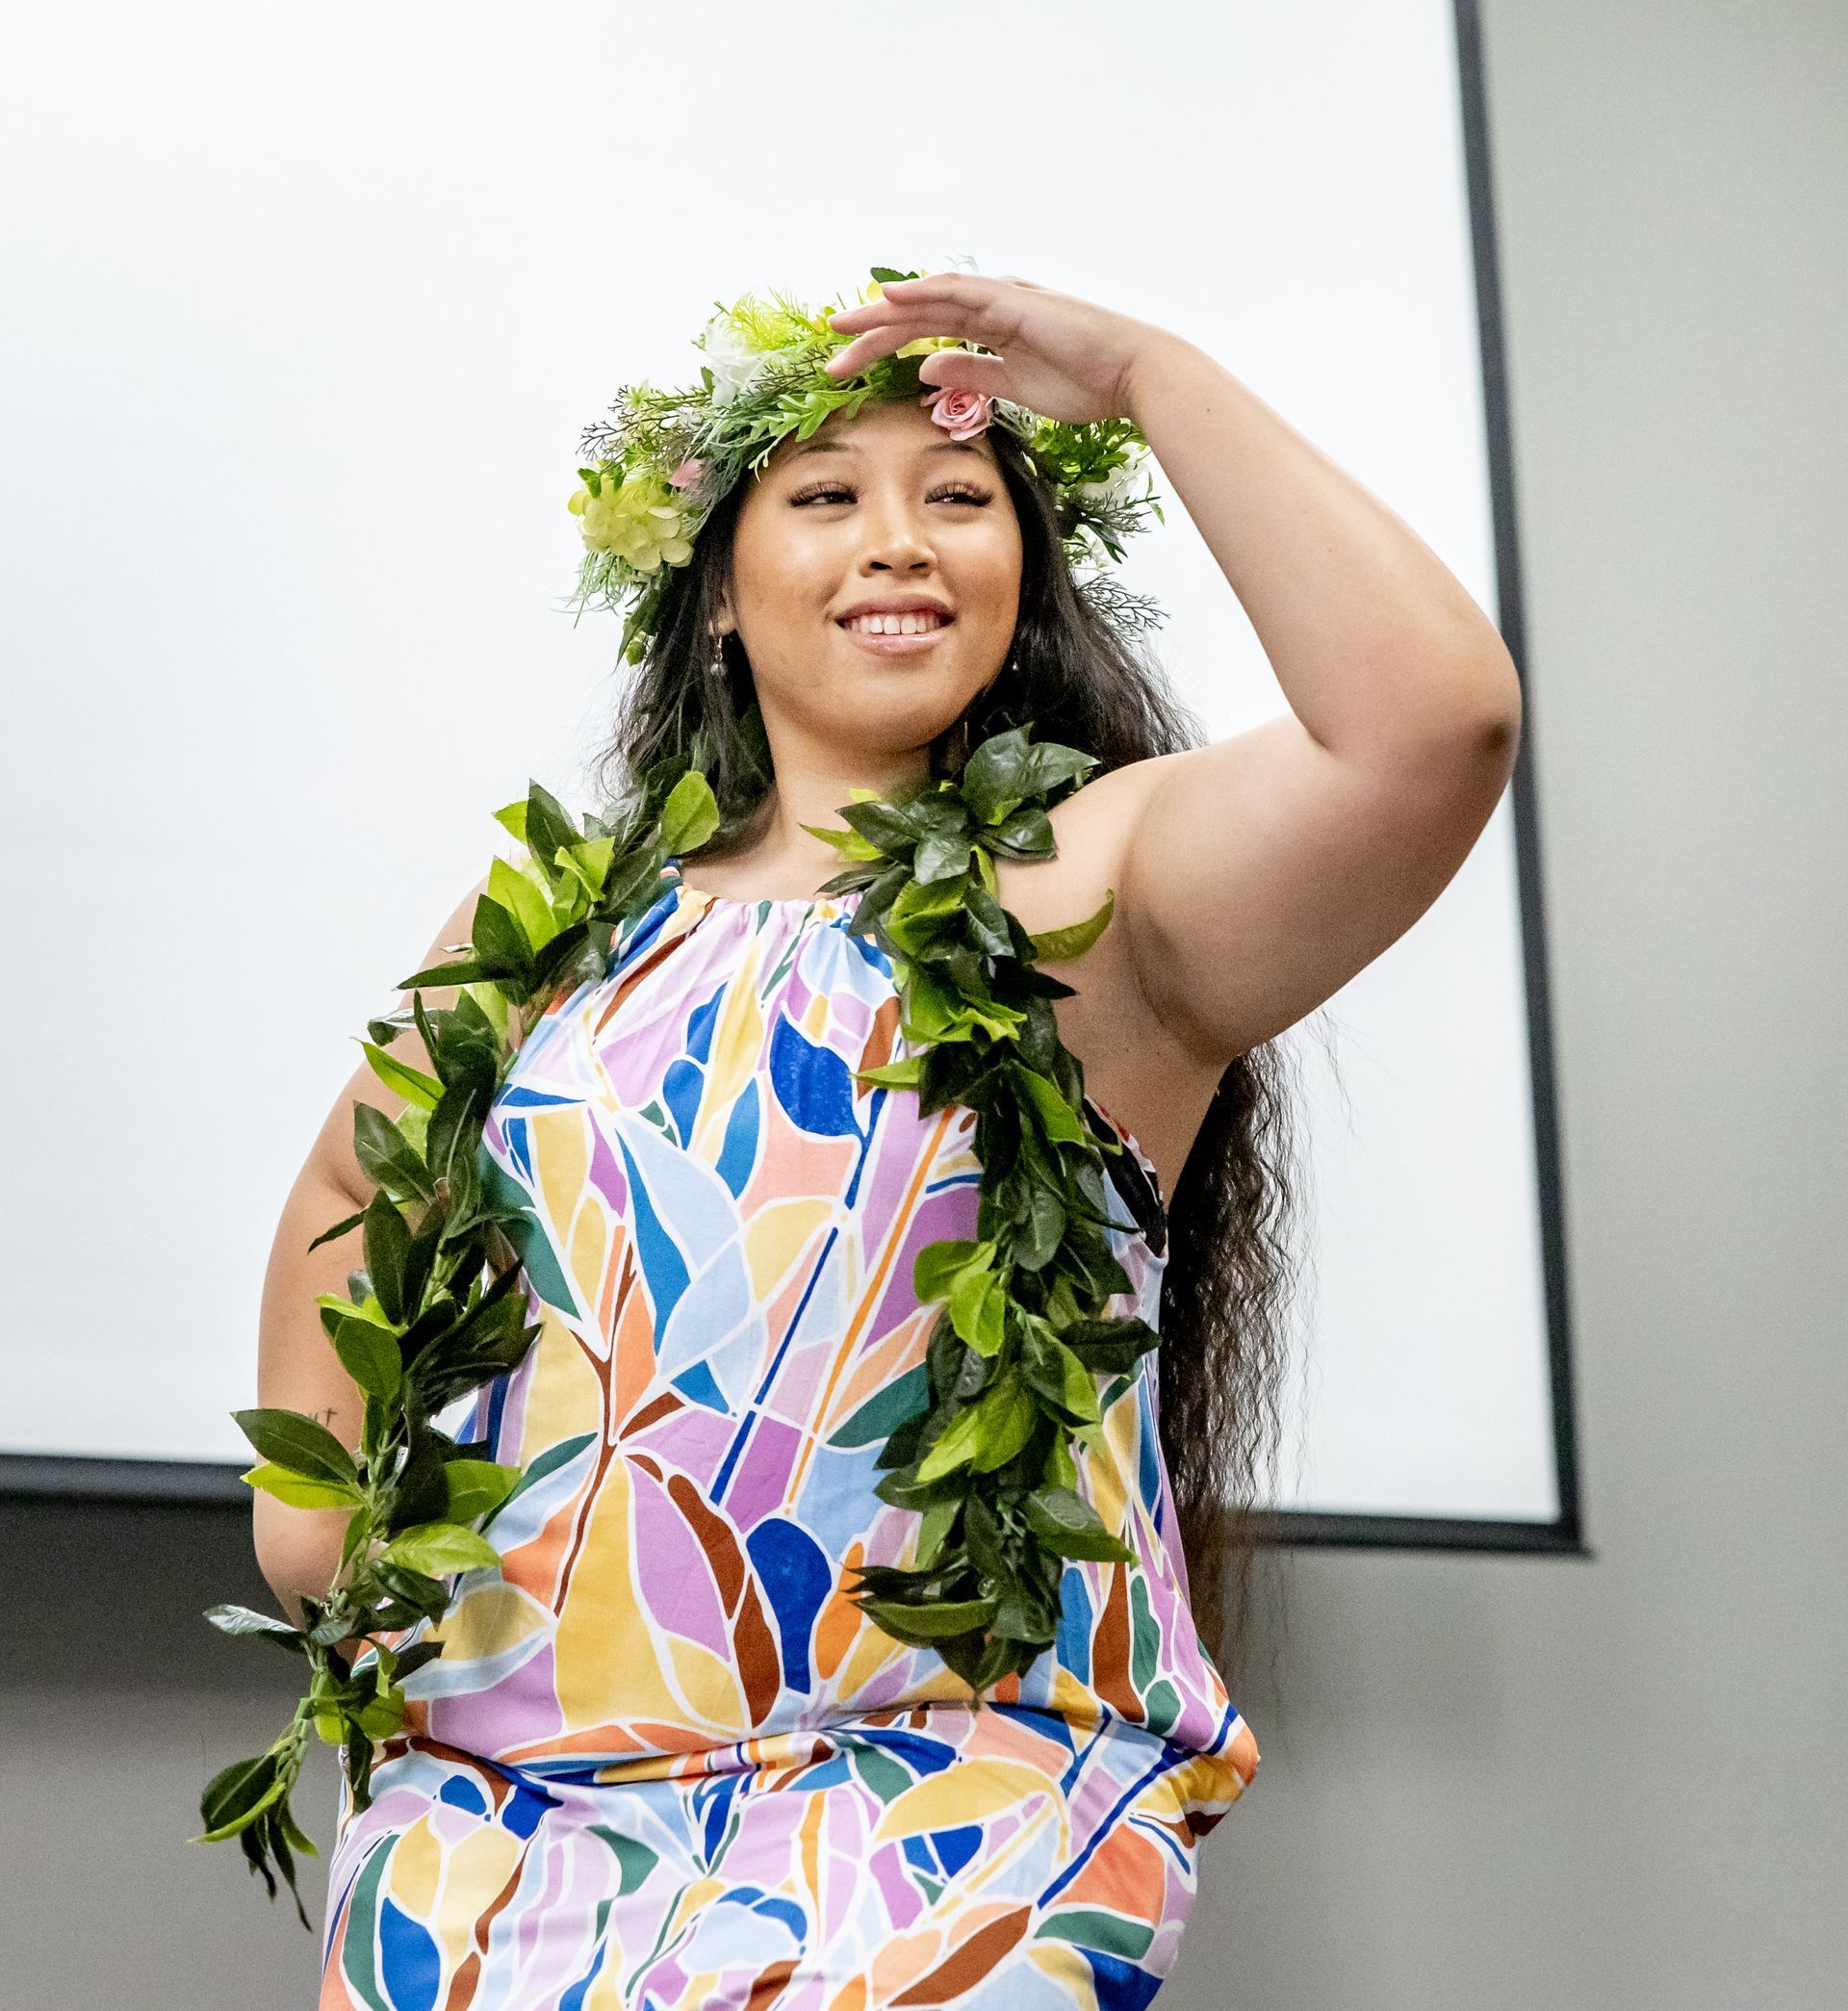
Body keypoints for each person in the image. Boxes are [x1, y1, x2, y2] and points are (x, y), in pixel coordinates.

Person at [254, 267, 1522, 2008]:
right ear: (713, 593)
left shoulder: (1097, 887)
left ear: (1024, 570)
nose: (900, 540)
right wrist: (313, 1517)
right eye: (827, 497)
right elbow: (354, 1182)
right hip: (501, 1810)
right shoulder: (548, 929)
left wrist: (1153, 375)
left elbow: (1432, 726)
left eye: (957, 495)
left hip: (949, 1799)